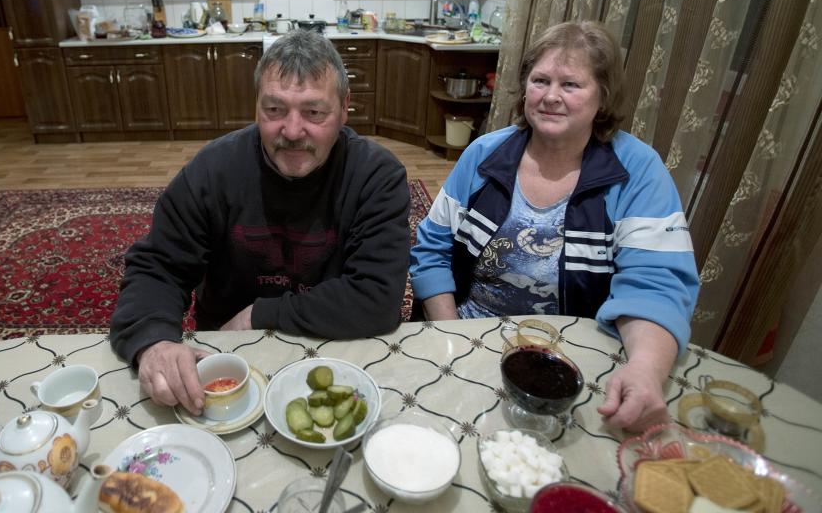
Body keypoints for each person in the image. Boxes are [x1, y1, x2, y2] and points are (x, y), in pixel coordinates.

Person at [410, 21, 699, 432]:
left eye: (571, 85)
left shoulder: (638, 171)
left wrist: (647, 370)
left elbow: (657, 285)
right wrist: (455, 338)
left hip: (574, 353)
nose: (550, 97)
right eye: (540, 80)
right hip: (470, 330)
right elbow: (431, 250)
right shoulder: (483, 155)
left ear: (603, 97)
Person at [110, 29, 410, 416]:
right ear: (256, 107)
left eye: (314, 112)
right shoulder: (212, 170)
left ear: (345, 107)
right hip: (226, 353)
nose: (292, 131)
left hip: (337, 347)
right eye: (274, 109)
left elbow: (377, 298)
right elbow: (157, 267)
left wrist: (259, 313)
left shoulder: (377, 175)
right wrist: (154, 343)